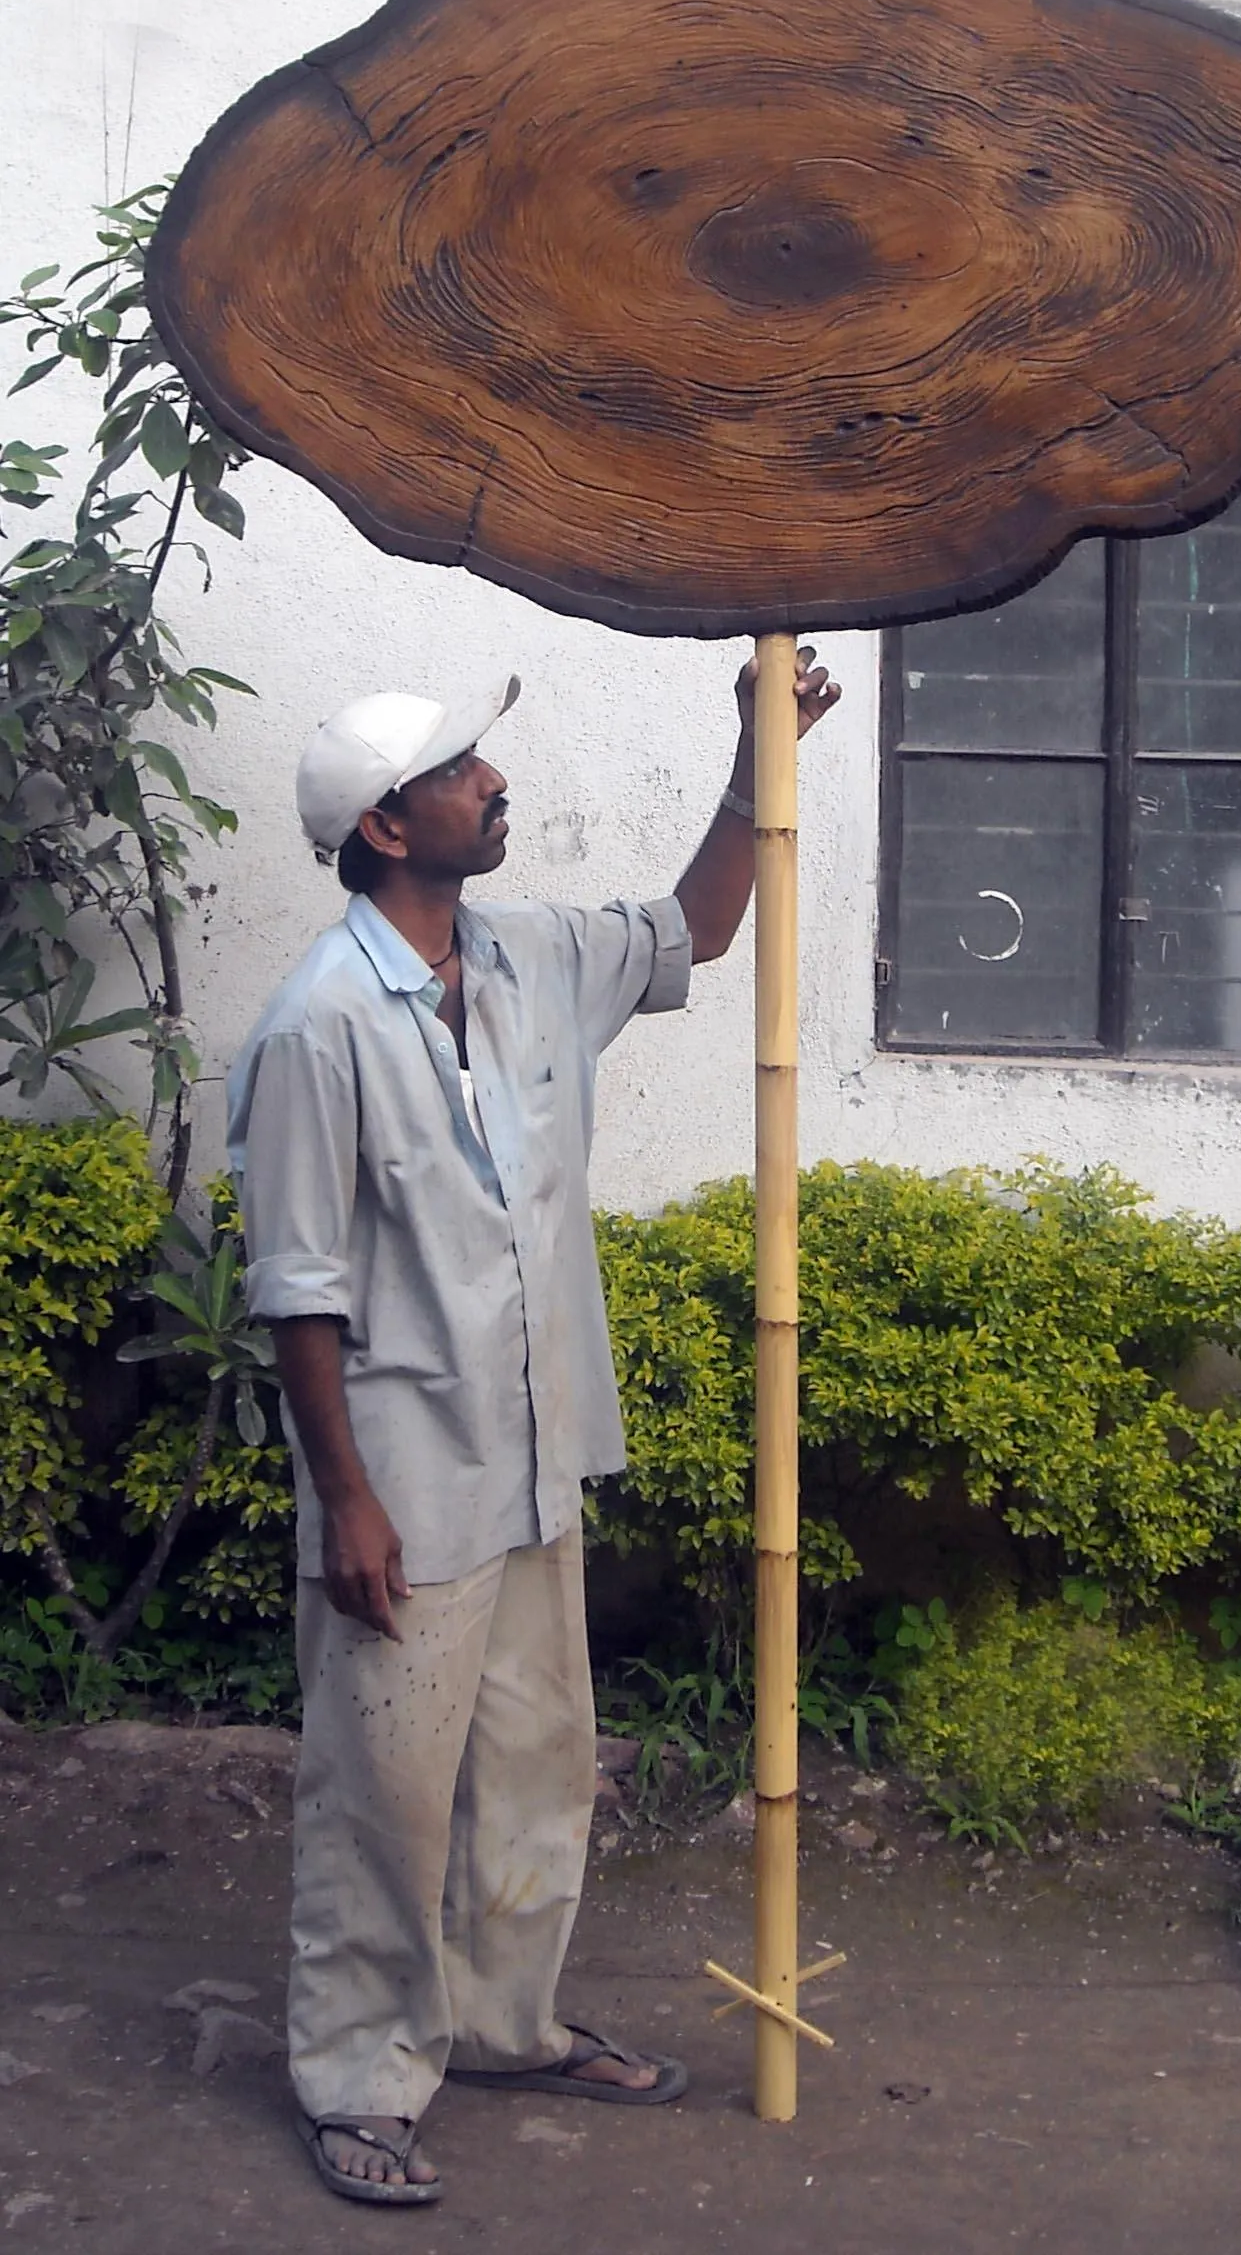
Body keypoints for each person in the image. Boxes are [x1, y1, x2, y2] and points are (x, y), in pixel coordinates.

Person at [227, 646, 840, 2206]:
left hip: (532, 1460)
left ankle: (500, 2022)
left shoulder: (533, 960)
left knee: (536, 1762)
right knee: (381, 1798)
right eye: (460, 773)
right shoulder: (316, 1029)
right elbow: (299, 1287)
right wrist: (344, 1499)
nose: (494, 784)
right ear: (386, 828)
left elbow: (693, 926)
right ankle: (358, 2078)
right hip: (405, 1487)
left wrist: (751, 762)